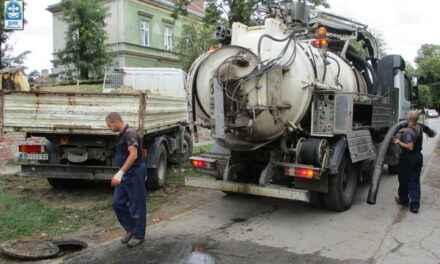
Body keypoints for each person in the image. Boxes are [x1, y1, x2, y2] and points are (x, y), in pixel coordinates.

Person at [106, 112, 147, 247]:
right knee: (117, 203)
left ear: (116, 121)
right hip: (125, 174)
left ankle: (139, 235)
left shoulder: (130, 133)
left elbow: (133, 155)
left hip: (134, 172)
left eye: (109, 125)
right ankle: (131, 229)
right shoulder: (122, 134)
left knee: (137, 205)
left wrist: (119, 173)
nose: (109, 128)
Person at [391, 110, 423, 214]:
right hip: (418, 157)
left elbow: (410, 147)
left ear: (409, 118)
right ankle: (415, 205)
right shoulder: (419, 128)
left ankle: (404, 200)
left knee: (404, 180)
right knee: (414, 181)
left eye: (408, 114)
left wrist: (397, 141)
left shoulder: (408, 132)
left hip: (409, 158)